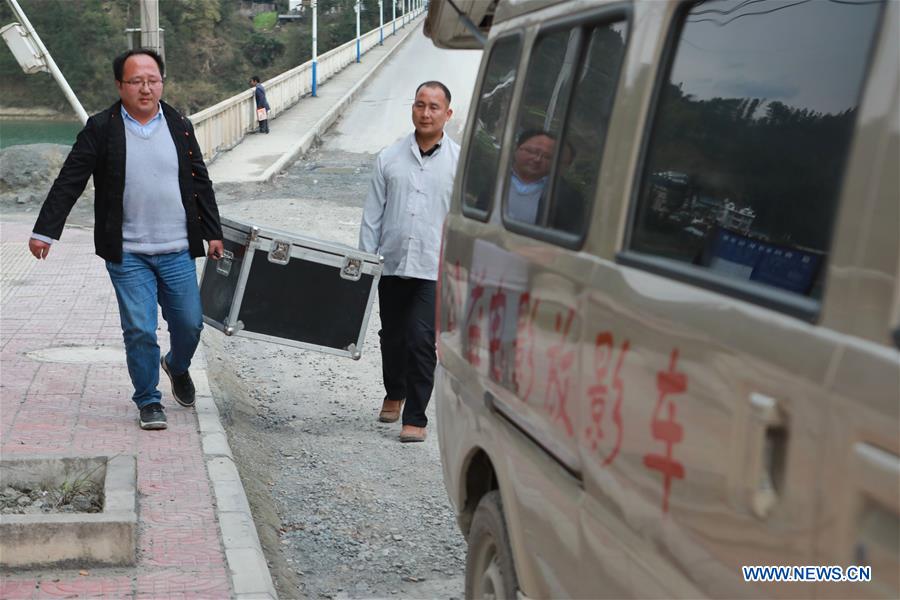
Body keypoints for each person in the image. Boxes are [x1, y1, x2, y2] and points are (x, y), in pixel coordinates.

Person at [28, 48, 224, 431]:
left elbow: (200, 181)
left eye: (152, 80)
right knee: (139, 328)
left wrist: (213, 232)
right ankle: (148, 400)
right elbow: (71, 179)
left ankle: (177, 365)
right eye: (136, 81)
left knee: (190, 324)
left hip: (177, 248)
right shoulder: (102, 128)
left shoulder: (179, 124)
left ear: (162, 82)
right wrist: (45, 231)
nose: (146, 88)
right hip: (128, 252)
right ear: (120, 86)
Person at [359, 81, 460, 443]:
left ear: (447, 114)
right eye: (420, 105)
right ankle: (395, 391)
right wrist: (367, 262)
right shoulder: (389, 157)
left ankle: (415, 416)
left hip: (434, 268)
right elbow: (372, 216)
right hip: (392, 264)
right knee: (392, 337)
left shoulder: (459, 163)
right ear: (412, 109)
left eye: (434, 107)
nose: (426, 113)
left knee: (421, 340)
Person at [507, 130, 556, 224]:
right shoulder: (497, 177)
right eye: (532, 152)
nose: (538, 159)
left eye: (547, 156)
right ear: (516, 149)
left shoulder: (558, 193)